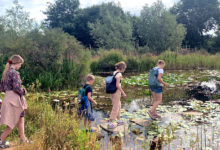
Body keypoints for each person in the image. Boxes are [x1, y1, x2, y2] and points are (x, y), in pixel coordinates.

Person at [0, 55, 28, 148]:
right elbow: (16, 88)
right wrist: (23, 91)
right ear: (16, 63)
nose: (20, 66)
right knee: (12, 122)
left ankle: (23, 139)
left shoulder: (6, 73)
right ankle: (0, 140)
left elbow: (2, 88)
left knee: (21, 117)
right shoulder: (14, 73)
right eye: (20, 64)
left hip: (8, 98)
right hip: (14, 100)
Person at [108, 61, 127, 129]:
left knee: (118, 105)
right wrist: (123, 93)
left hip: (112, 91)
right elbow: (117, 85)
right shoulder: (119, 75)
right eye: (124, 68)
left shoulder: (114, 72)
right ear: (122, 68)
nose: (124, 70)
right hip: (116, 92)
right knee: (116, 107)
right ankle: (110, 122)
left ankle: (118, 120)